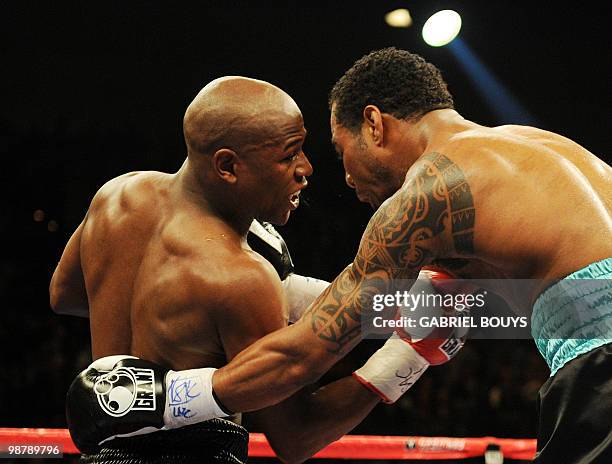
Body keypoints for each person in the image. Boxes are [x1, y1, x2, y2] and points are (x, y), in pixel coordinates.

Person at [69, 48, 611, 463]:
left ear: (373, 124)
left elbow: (304, 355)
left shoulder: (429, 194)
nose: (343, 176)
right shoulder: (538, 149)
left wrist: (166, 401)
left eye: (338, 150)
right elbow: (411, 306)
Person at [52, 75, 465, 464]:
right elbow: (297, 437)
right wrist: (406, 355)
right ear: (227, 166)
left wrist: (175, 318)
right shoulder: (241, 276)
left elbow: (65, 294)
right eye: (288, 155)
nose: (306, 169)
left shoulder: (117, 196)